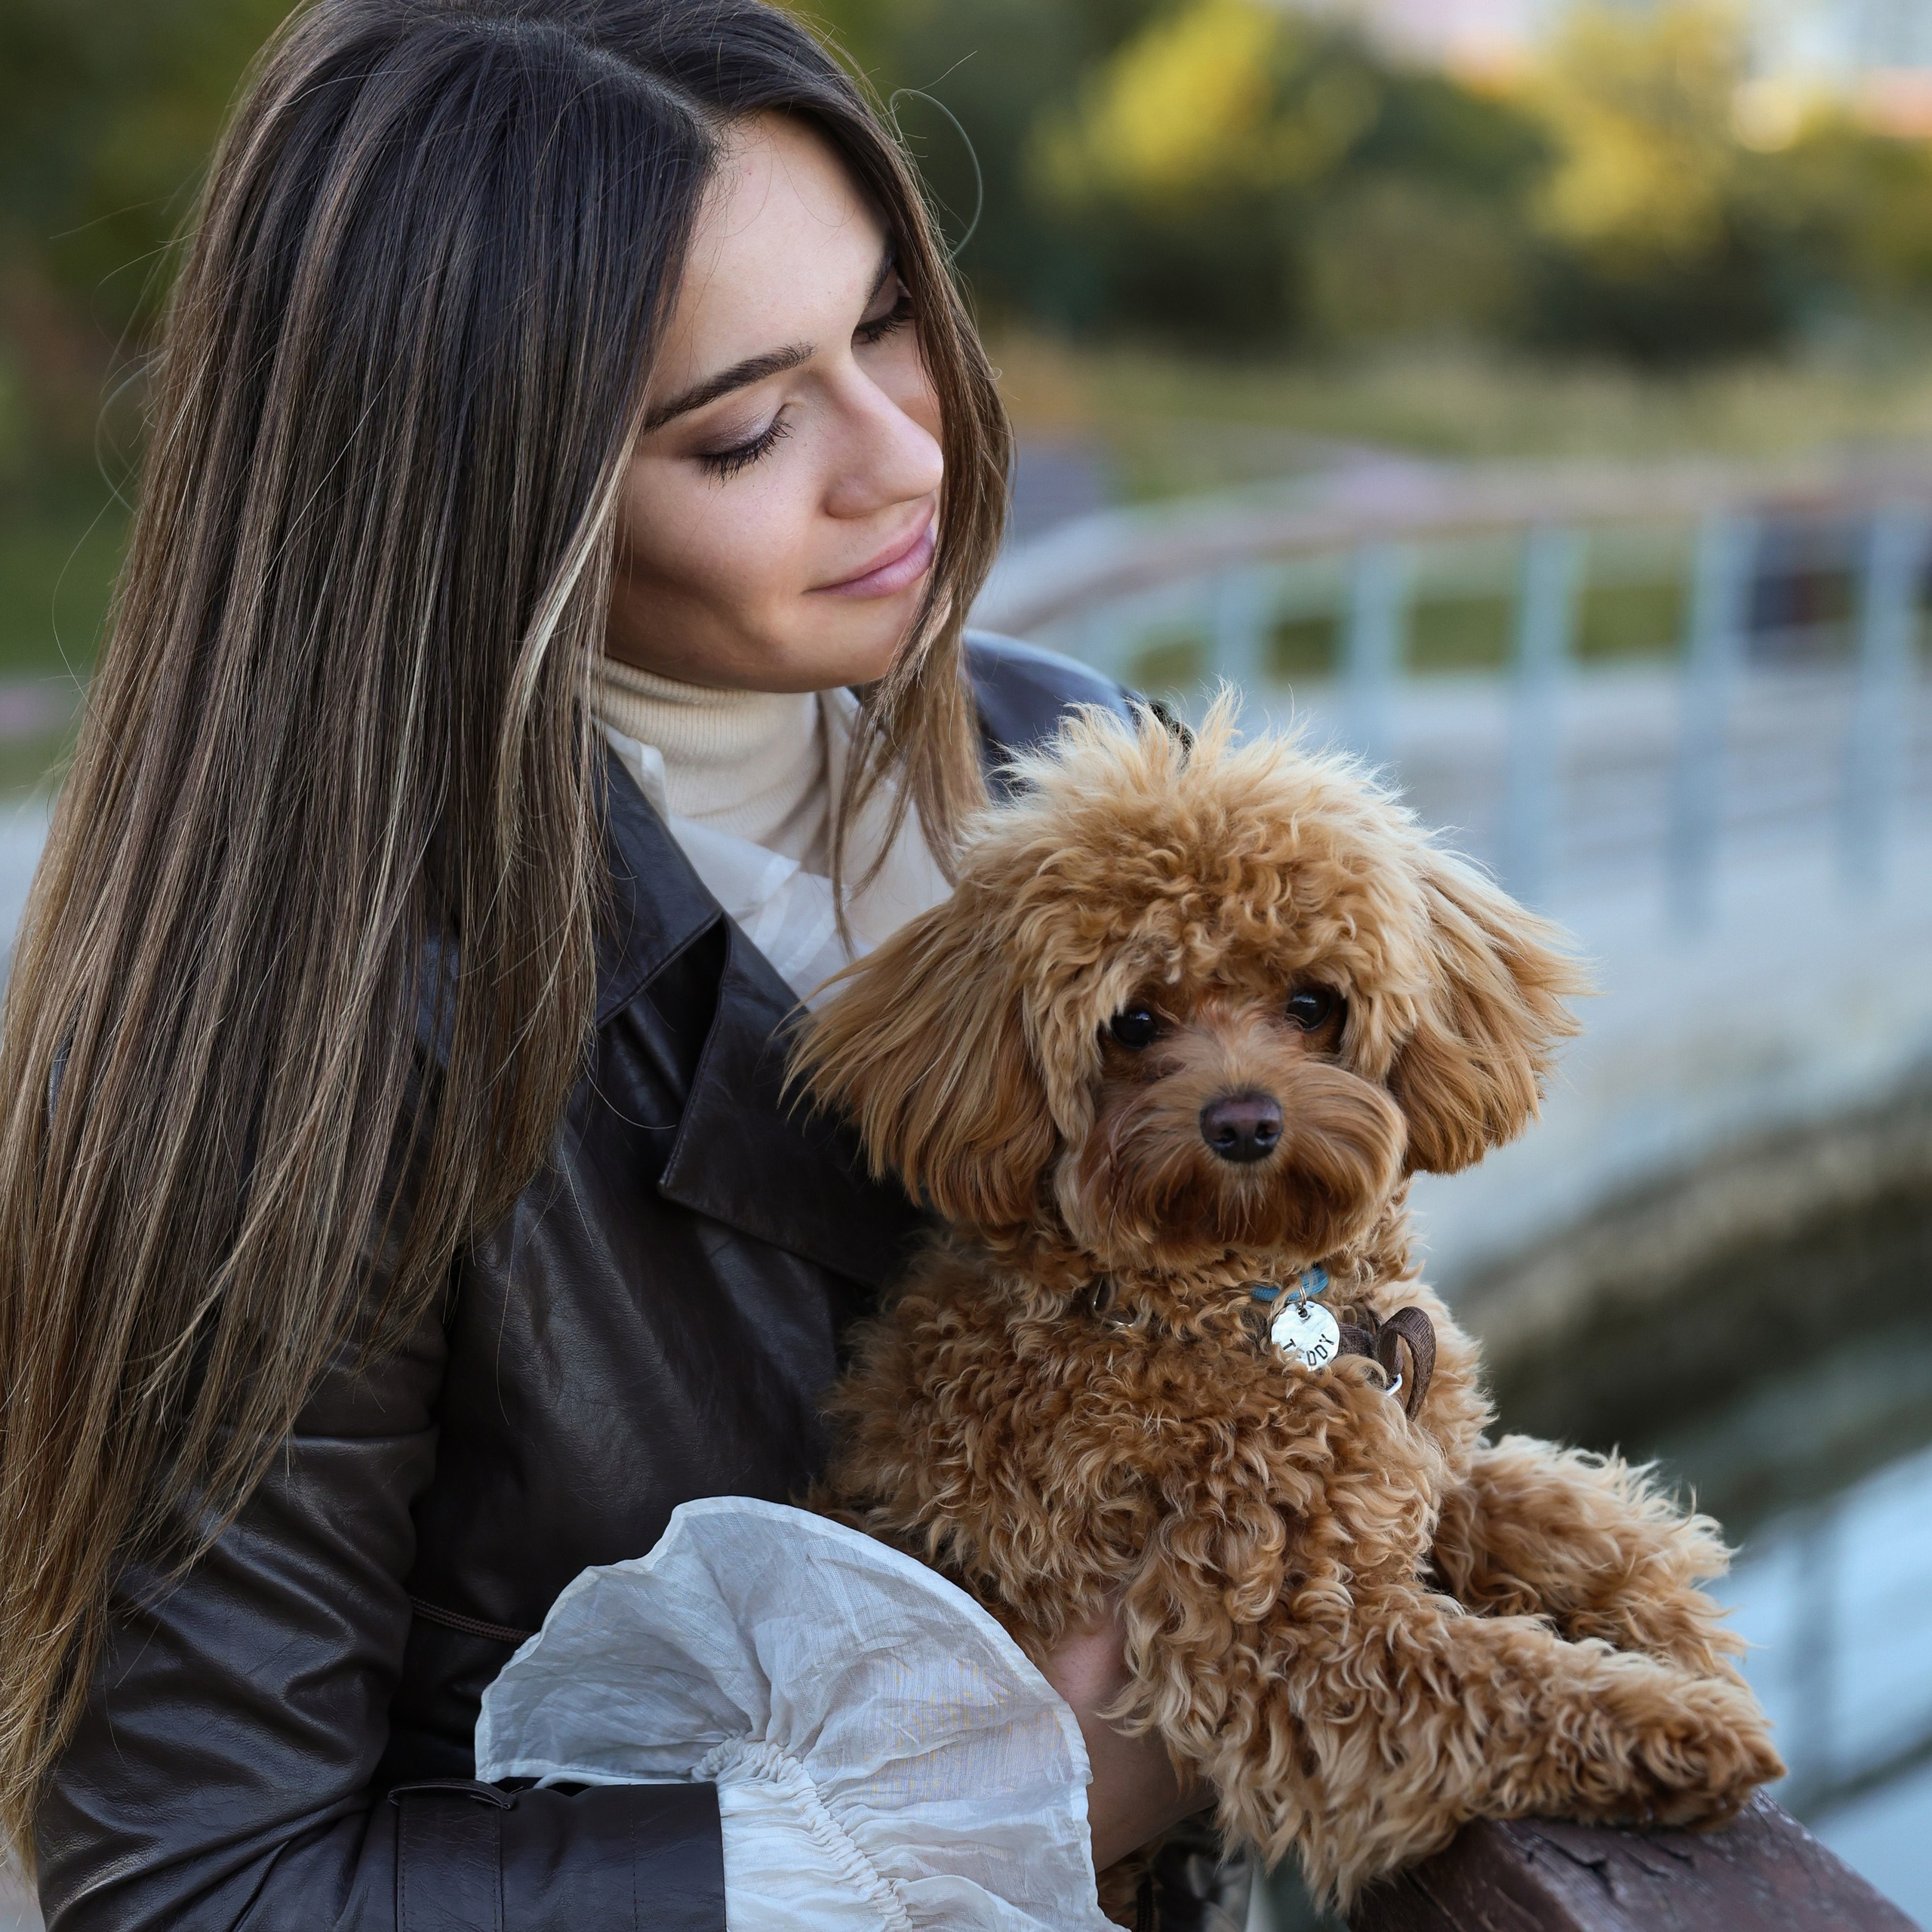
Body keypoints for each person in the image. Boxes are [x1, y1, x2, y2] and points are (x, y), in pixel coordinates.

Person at [0, 3, 1243, 1925]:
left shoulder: (1074, 770)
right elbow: (197, 1885)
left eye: (893, 317)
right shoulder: (302, 1044)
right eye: (745, 426)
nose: (902, 453)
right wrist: (952, 1825)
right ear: (476, 490)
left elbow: (1313, 1312)